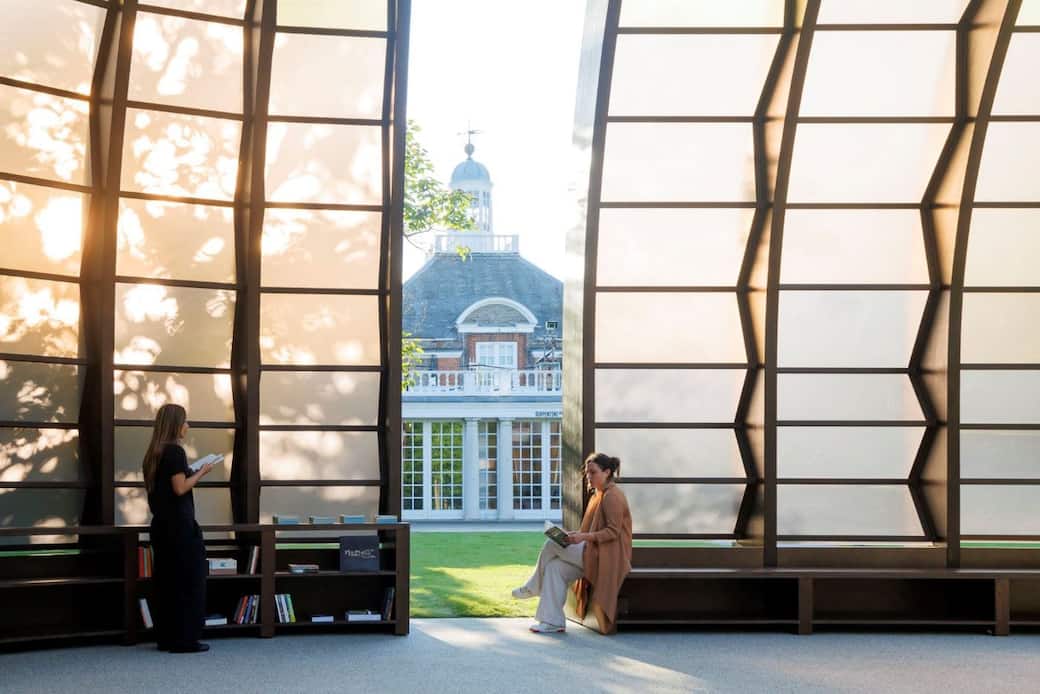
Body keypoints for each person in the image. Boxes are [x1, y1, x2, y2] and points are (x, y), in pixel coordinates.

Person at [512, 452, 632, 634]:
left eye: (593, 473)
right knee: (554, 568)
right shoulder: (598, 496)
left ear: (607, 472)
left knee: (552, 545)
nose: (588, 477)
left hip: (605, 558)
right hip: (592, 553)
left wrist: (582, 538)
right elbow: (591, 530)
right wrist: (576, 535)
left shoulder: (612, 496)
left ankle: (533, 586)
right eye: (587, 473)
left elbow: (613, 532)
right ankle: (552, 622)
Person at [142, 403, 214, 653]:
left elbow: (167, 487)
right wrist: (202, 472)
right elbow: (180, 488)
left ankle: (167, 638)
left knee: (167, 584)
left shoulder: (154, 453)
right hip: (180, 529)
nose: (188, 425)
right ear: (175, 424)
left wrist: (189, 472)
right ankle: (185, 639)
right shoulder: (174, 452)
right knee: (189, 582)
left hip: (161, 527)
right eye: (185, 421)